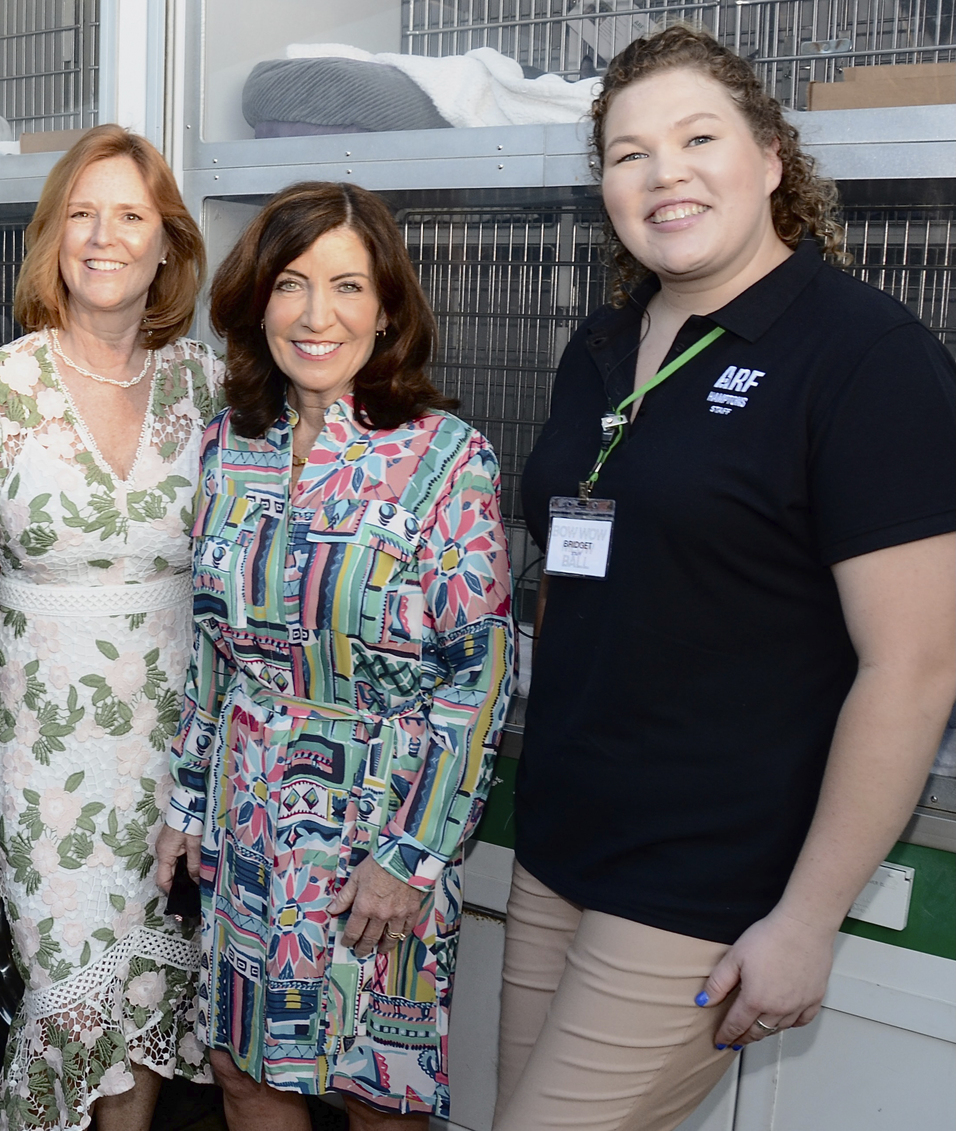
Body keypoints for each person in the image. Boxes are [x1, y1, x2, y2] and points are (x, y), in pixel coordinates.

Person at [497, 27, 956, 1131]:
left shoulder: (862, 356)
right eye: (628, 153)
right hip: (560, 845)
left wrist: (807, 918)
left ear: (769, 158)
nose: (665, 173)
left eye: (698, 138)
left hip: (703, 875)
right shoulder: (601, 346)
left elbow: (917, 666)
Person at [156, 181, 514, 1129]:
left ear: (388, 305)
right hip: (245, 815)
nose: (318, 315)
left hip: (383, 831)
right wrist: (186, 804)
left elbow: (477, 683)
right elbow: (210, 649)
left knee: (376, 1094)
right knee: (243, 1073)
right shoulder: (226, 448)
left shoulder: (448, 460)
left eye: (348, 285)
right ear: (255, 301)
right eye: (292, 284)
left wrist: (413, 854)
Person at [0, 124, 219, 1131]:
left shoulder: (211, 388)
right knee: (66, 995)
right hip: (48, 750)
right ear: (53, 236)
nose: (104, 237)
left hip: (179, 747)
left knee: (144, 990)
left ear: (168, 243)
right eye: (81, 215)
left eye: (130, 215)